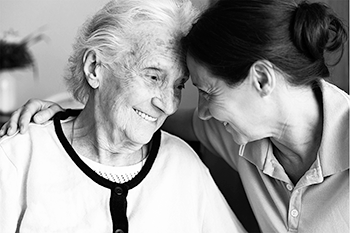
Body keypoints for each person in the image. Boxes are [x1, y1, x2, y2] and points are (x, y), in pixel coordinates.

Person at [1, 0, 348, 232]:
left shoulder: (195, 156)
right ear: (95, 67)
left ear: (261, 81)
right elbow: (134, 119)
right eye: (154, 76)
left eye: (183, 86)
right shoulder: (19, 154)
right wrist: (69, 116)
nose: (170, 106)